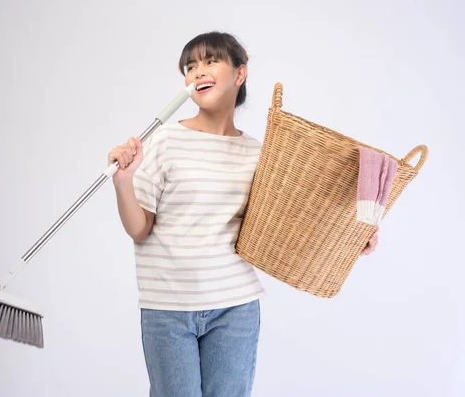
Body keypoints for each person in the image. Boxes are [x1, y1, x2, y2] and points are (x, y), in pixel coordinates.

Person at [108, 31, 379, 397]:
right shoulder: (165, 141)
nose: (197, 72)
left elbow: (289, 222)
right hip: (167, 309)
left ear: (239, 74)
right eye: (190, 67)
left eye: (210, 61)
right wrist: (123, 181)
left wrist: (350, 238)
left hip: (235, 308)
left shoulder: (257, 154)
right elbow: (139, 230)